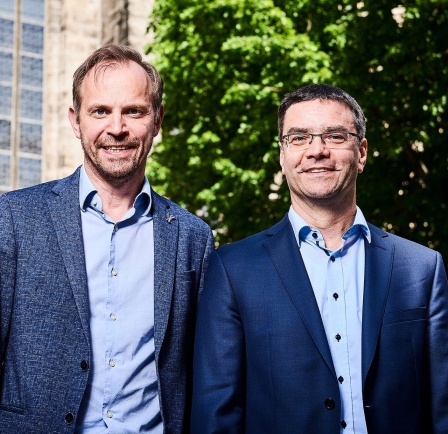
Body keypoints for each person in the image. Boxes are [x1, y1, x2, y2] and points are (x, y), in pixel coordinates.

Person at [191, 84, 448, 434]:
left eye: (335, 136)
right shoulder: (232, 270)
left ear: (361, 152)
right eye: (298, 138)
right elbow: (216, 416)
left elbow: (441, 409)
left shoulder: (422, 269)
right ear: (283, 156)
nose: (317, 151)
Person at [0, 44, 213, 433]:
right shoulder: (13, 218)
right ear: (76, 121)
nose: (117, 127)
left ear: (158, 120)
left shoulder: (192, 237)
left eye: (134, 111)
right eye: (100, 111)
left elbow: (199, 373)